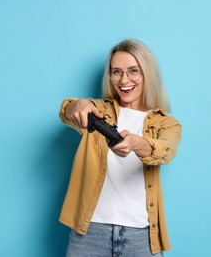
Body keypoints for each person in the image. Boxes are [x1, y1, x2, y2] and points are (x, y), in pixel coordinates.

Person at [58, 39, 182, 257]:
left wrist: (136, 143)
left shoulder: (166, 124)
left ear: (147, 74)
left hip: (141, 238)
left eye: (133, 71)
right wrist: (76, 105)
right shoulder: (99, 111)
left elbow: (166, 150)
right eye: (116, 72)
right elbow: (68, 111)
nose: (124, 80)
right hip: (89, 234)